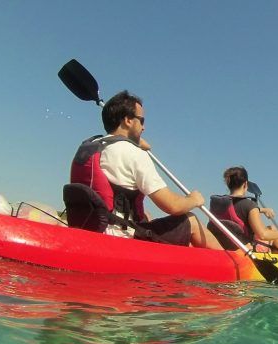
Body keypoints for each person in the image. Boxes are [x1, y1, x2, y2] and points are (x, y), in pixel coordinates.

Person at [69, 90, 222, 250]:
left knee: (146, 215)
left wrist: (134, 140)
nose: (144, 127)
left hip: (94, 231)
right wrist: (193, 200)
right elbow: (172, 206)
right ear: (128, 120)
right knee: (191, 221)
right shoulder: (134, 154)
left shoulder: (92, 146)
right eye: (141, 121)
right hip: (120, 240)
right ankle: (233, 263)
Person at [209, 166, 278, 251]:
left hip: (223, 245)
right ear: (245, 184)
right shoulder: (250, 205)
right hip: (246, 248)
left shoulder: (218, 202)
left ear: (228, 184)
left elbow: (236, 210)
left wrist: (262, 210)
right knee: (274, 229)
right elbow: (262, 235)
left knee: (271, 229)